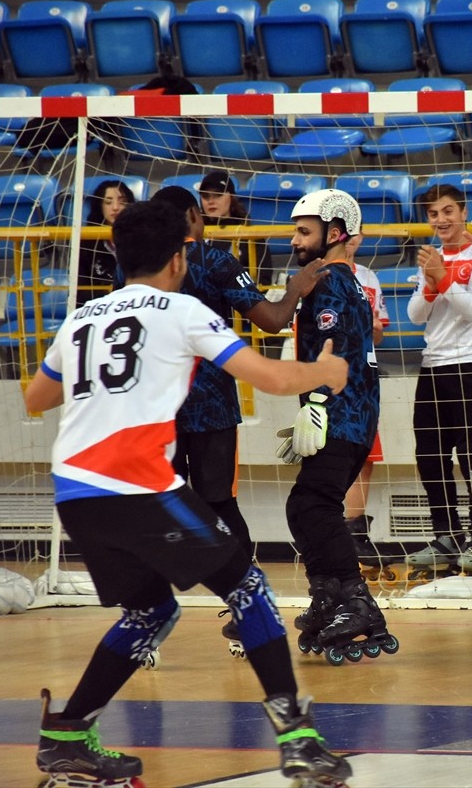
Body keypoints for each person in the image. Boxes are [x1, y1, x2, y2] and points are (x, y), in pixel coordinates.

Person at [24, 199, 352, 788]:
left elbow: (36, 398)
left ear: (118, 256)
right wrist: (326, 374)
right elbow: (274, 378)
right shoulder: (181, 310)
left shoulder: (82, 317)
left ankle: (67, 735)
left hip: (74, 492)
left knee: (151, 611)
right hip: (135, 484)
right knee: (248, 587)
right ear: (179, 259)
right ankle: (299, 740)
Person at [126, 185, 327, 657]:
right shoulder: (217, 260)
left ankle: (143, 621)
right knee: (220, 504)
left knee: (155, 509)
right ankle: (246, 612)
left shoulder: (137, 268)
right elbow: (272, 321)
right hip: (212, 405)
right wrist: (295, 288)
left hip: (156, 408)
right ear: (193, 216)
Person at [280, 188, 398, 663]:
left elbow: (334, 353)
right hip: (353, 416)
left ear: (333, 233)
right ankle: (329, 593)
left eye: (303, 231)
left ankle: (356, 600)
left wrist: (316, 405)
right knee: (308, 506)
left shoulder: (328, 282)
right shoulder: (343, 280)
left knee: (313, 506)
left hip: (341, 416)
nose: (294, 240)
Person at [404, 184, 472, 579]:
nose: (441, 220)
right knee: (430, 455)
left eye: (447, 211)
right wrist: (431, 282)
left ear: (463, 213)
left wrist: (442, 278)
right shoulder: (432, 258)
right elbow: (415, 315)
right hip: (433, 365)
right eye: (433, 214)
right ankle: (446, 534)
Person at [341, 228, 391, 576]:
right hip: (332, 375)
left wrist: (372, 328)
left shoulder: (370, 277)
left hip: (364, 376)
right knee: (335, 455)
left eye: (356, 231)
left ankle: (355, 535)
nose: (351, 238)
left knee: (366, 456)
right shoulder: (317, 274)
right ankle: (336, 536)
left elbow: (379, 332)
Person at [199, 169, 275, 293]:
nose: (210, 201)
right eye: (205, 196)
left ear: (231, 197)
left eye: (218, 195)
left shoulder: (250, 236)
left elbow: (263, 281)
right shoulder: (195, 235)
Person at [75, 180, 135, 306]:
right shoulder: (85, 241)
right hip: (98, 306)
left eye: (122, 202)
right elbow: (79, 289)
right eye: (108, 202)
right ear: (99, 206)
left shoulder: (141, 237)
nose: (115, 207)